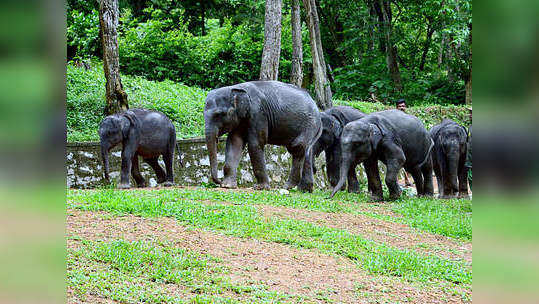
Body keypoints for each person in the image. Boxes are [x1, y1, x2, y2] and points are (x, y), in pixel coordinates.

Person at [395, 99, 413, 187]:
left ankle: (407, 180)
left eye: (403, 106)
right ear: (396, 108)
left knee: (406, 162)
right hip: (396, 144)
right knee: (397, 162)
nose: (402, 108)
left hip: (406, 143)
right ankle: (397, 181)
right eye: (400, 106)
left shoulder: (408, 117)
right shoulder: (393, 118)